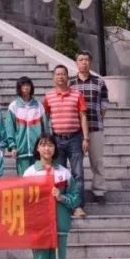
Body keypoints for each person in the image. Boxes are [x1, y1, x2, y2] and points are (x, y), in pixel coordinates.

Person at [24, 133, 81, 259]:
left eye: (50, 145)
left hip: (60, 225)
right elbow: (24, 200)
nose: (47, 148)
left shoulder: (63, 173)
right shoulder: (30, 173)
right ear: (37, 149)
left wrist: (61, 197)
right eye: (43, 145)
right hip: (39, 227)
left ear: (55, 148)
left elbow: (75, 199)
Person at [43, 65, 89, 218]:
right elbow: (46, 117)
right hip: (57, 140)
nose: (60, 77)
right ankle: (62, 205)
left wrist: (86, 138)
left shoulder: (77, 94)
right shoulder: (48, 97)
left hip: (75, 138)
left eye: (63, 74)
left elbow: (83, 116)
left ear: (67, 77)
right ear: (53, 78)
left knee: (78, 174)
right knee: (59, 175)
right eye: (57, 74)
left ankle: (77, 206)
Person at [70, 51, 109, 205]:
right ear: (76, 63)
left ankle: (99, 191)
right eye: (81, 60)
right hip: (75, 129)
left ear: (90, 62)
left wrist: (99, 118)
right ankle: (77, 190)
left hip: (95, 127)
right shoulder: (71, 83)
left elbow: (104, 104)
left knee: (97, 161)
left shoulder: (99, 82)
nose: (84, 62)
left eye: (86, 59)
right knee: (76, 162)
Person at [5, 76, 49, 176]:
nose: (26, 87)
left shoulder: (38, 105)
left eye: (28, 85)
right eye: (23, 85)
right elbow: (10, 128)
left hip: (37, 150)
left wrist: (46, 144)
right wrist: (12, 146)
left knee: (38, 177)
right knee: (23, 179)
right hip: (21, 150)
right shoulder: (13, 106)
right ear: (19, 88)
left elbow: (45, 127)